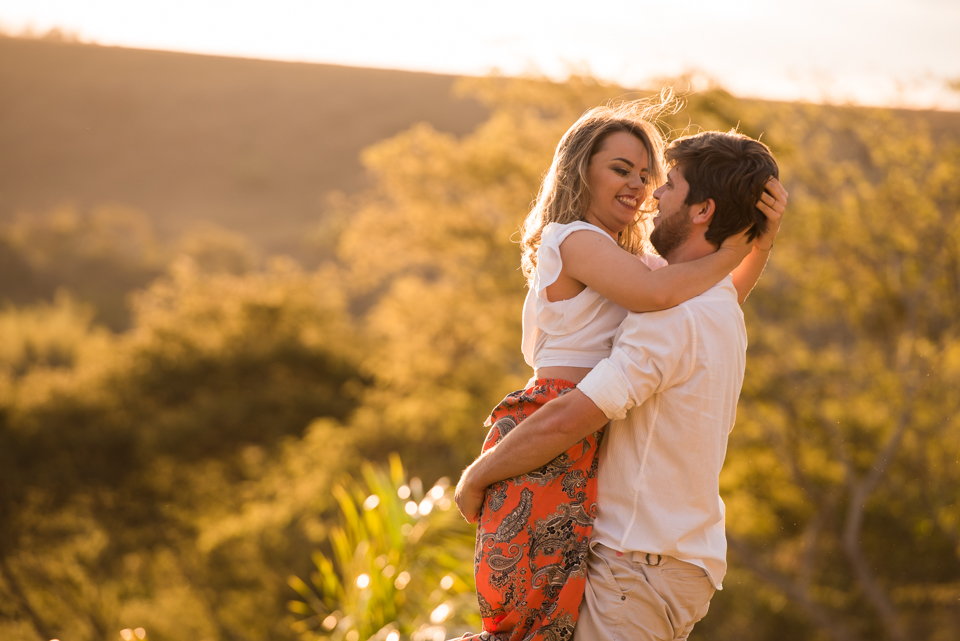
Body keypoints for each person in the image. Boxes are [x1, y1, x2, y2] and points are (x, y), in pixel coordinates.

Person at [460, 103, 786, 641]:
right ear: (580, 169)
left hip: (606, 491)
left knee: (535, 623)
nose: (646, 189)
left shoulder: (667, 290)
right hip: (556, 419)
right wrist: (744, 243)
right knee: (526, 614)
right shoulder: (577, 240)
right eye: (622, 170)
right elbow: (693, 302)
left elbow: (691, 300)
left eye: (656, 179)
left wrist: (753, 245)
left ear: (700, 209)